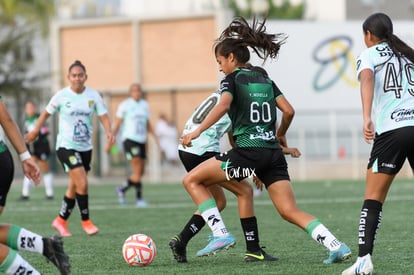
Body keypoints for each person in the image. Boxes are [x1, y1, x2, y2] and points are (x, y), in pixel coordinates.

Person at [180, 16, 351, 264]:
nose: (219, 67)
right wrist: (280, 135)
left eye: (220, 61)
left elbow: (224, 104)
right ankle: (336, 245)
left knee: (191, 180)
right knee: (289, 211)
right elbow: (289, 111)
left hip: (248, 152)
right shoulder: (266, 80)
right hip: (272, 153)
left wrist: (196, 132)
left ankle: (220, 233)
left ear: (231, 58)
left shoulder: (232, 79)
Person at [169, 89, 279, 263]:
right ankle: (251, 248)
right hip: (202, 151)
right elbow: (245, 139)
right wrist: (256, 169)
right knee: (244, 191)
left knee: (219, 202)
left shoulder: (224, 93)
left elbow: (234, 138)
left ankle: (181, 241)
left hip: (188, 149)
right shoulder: (240, 98)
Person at [342, 13, 414, 275]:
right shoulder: (408, 54)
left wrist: (366, 117)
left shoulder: (369, 54)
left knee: (373, 198)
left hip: (392, 131)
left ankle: (363, 260)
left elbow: (367, 78)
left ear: (369, 35)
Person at [26, 60, 115, 237]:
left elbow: (103, 115)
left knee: (74, 186)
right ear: (69, 77)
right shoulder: (61, 96)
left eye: (80, 75)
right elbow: (45, 114)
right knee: (82, 182)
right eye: (74, 75)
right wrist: (35, 129)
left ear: (85, 77)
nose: (77, 78)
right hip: (66, 146)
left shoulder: (93, 96)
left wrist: (109, 131)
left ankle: (60, 220)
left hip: (85, 147)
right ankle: (86, 221)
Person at [0, 96, 70, 274]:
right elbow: (6, 118)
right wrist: (24, 156)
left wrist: (25, 157)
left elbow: (5, 117)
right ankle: (46, 246)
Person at [109, 83, 159, 207]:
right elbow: (118, 123)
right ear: (130, 93)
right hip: (130, 139)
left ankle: (122, 190)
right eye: (134, 91)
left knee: (140, 172)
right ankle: (139, 198)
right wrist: (111, 139)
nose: (136, 93)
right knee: (136, 169)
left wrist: (154, 138)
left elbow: (147, 124)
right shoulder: (125, 105)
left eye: (138, 91)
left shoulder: (144, 105)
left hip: (141, 140)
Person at [20, 100, 54, 201]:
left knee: (45, 168)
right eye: (28, 108)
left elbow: (46, 131)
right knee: (30, 168)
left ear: (34, 108)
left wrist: (36, 135)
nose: (30, 110)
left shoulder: (40, 118)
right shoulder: (25, 121)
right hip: (31, 148)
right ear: (25, 110)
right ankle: (25, 193)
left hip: (42, 146)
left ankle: (49, 193)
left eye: (31, 107)